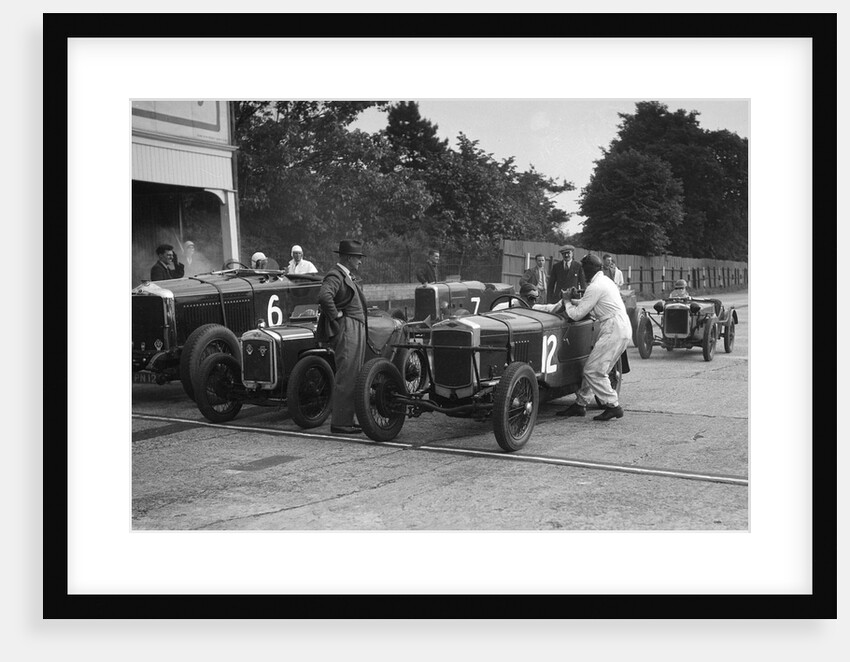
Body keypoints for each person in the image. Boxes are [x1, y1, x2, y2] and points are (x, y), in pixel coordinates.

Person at [557, 253, 631, 421]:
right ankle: (580, 404)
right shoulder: (605, 282)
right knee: (596, 368)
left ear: (588, 270)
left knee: (593, 370)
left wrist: (567, 300)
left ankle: (613, 405)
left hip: (613, 328)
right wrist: (575, 300)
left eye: (583, 269)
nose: (582, 273)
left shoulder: (595, 286)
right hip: (620, 326)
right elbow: (588, 303)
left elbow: (575, 315)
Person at [317, 240, 369, 435]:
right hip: (348, 329)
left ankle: (348, 419)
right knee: (347, 375)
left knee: (353, 375)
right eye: (358, 257)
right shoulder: (335, 274)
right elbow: (324, 296)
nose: (360, 262)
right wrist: (336, 315)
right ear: (348, 258)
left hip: (354, 329)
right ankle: (340, 422)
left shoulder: (345, 275)